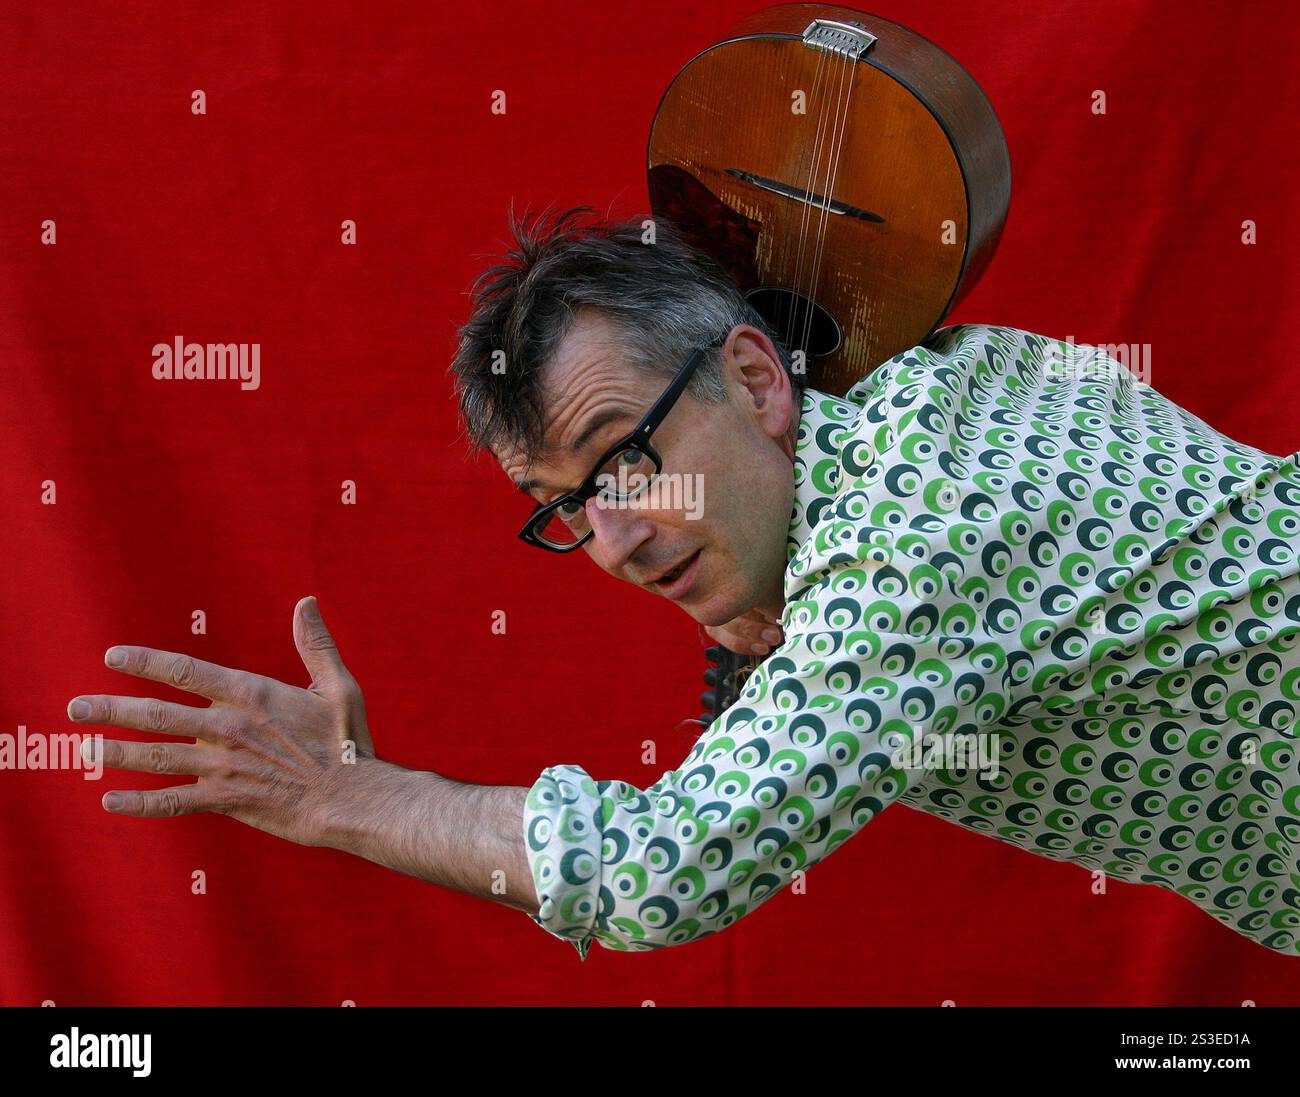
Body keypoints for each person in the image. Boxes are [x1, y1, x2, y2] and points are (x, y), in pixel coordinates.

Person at [72, 205, 1300, 961]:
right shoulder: (919, 393)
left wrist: (344, 797)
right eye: (563, 506)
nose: (612, 541)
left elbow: (660, 873)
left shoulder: (914, 531)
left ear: (758, 380)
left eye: (626, 460)